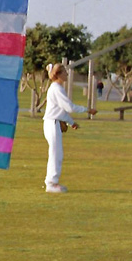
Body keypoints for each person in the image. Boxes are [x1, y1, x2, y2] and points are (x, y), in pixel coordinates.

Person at [43, 63, 97, 193]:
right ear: (58, 74)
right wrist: (87, 110)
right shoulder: (56, 88)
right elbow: (69, 107)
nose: (67, 74)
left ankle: (52, 182)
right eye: (65, 72)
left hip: (54, 123)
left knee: (57, 153)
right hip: (52, 123)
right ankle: (51, 183)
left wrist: (71, 122)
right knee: (56, 154)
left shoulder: (57, 88)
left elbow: (61, 111)